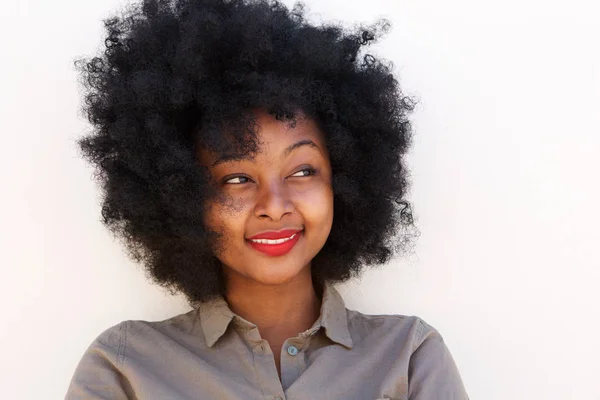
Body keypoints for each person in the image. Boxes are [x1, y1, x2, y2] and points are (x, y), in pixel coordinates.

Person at [66, 0, 469, 398]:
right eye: (237, 178)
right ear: (184, 197)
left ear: (342, 180)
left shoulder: (409, 357)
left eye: (302, 171)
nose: (275, 205)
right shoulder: (126, 368)